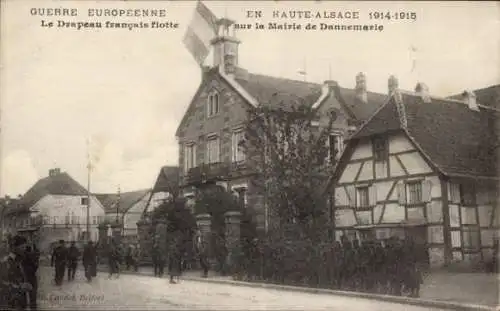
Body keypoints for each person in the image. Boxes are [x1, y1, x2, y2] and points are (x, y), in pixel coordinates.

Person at [0, 235, 33, 310]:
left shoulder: (19, 261)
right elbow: (2, 283)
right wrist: (19, 287)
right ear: (14, 248)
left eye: (25, 247)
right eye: (22, 247)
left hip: (20, 302)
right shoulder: (6, 263)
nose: (24, 250)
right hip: (10, 303)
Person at [22, 243, 40, 310]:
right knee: (33, 294)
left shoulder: (22, 256)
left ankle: (24, 306)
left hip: (24, 277)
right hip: (32, 276)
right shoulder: (33, 256)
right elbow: (36, 266)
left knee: (23, 293)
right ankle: (33, 307)